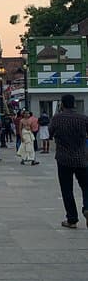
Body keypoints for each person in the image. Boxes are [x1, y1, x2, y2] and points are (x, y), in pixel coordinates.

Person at [49, 94, 88, 229]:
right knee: (86, 186)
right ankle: (87, 207)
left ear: (62, 104)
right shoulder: (83, 119)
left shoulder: (57, 118)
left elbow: (50, 133)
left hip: (63, 158)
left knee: (67, 189)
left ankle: (72, 219)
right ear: (74, 104)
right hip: (82, 158)